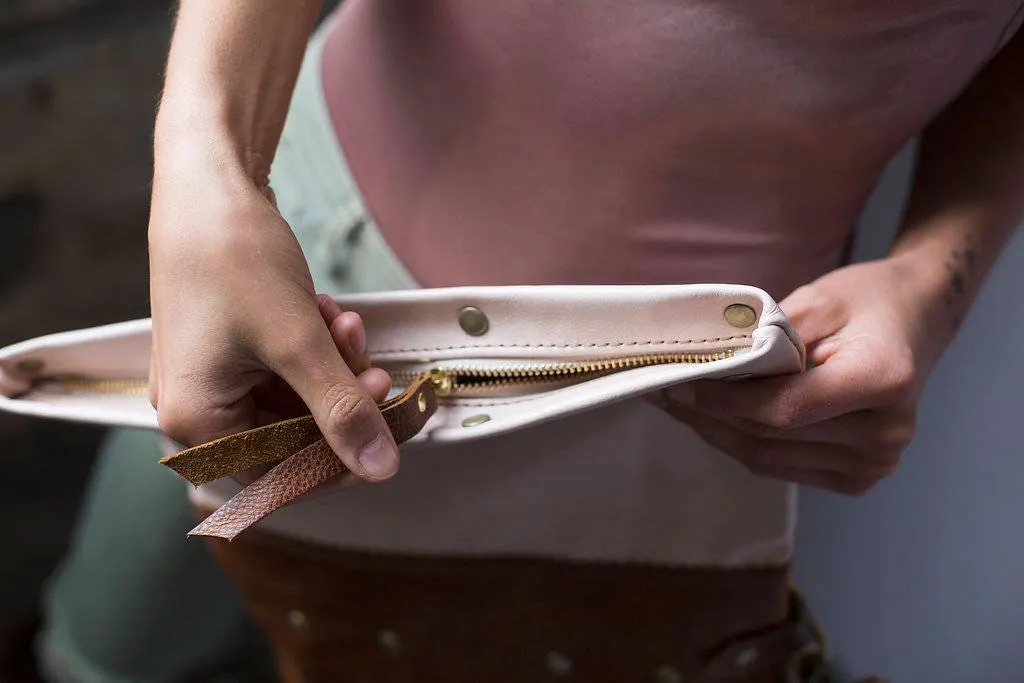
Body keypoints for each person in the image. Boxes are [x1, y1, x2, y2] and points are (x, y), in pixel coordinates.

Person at [34, 1, 1024, 681]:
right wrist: (205, 169)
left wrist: (933, 278)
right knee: (113, 639)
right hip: (299, 264)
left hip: (693, 415)